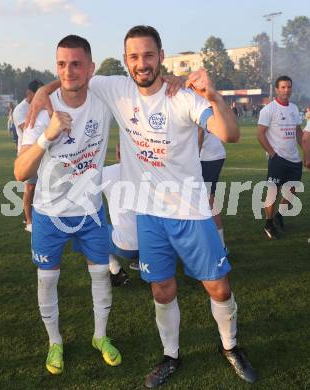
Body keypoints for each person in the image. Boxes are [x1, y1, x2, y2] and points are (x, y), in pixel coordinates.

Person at [28, 25, 257, 387]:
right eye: (134, 57)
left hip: (192, 212)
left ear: (160, 56)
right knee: (161, 291)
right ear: (125, 61)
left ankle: (231, 346)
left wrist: (212, 94)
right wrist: (43, 91)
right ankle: (170, 355)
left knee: (219, 288)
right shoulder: (114, 87)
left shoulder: (182, 96)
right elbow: (73, 76)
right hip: (149, 214)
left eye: (148, 55)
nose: (141, 63)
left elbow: (230, 133)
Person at [14, 35, 122, 375]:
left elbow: (145, 81)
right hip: (48, 214)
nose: (68, 70)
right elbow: (20, 172)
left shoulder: (104, 97)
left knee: (101, 275)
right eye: (61, 64)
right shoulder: (41, 113)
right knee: (47, 280)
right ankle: (54, 342)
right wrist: (48, 135)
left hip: (90, 211)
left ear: (91, 68)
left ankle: (100, 336)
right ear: (55, 66)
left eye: (76, 64)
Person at [257, 76, 303, 240]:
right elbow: (260, 134)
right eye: (283, 87)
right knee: (272, 192)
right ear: (277, 89)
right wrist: (271, 153)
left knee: (292, 191)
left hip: (295, 159)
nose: (286, 90)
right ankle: (268, 224)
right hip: (278, 158)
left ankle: (280, 215)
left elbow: (298, 131)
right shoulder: (268, 110)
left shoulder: (294, 108)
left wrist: (305, 150)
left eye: (288, 87)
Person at [13, 79, 44, 232]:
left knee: (43, 186)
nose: (41, 96)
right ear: (29, 93)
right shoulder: (20, 109)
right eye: (38, 93)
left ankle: (41, 217)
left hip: (43, 151)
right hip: (27, 154)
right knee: (30, 187)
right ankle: (29, 221)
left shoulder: (41, 106)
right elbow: (26, 129)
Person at [102, 163, 139, 286]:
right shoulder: (152, 169)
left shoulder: (106, 172)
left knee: (86, 230)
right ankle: (148, 262)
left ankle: (115, 270)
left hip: (126, 248)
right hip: (155, 244)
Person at [198, 127, 227, 251]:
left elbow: (199, 131)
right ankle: (216, 243)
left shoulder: (197, 107)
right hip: (210, 156)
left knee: (208, 200)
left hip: (209, 157)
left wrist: (193, 157)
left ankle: (220, 245)